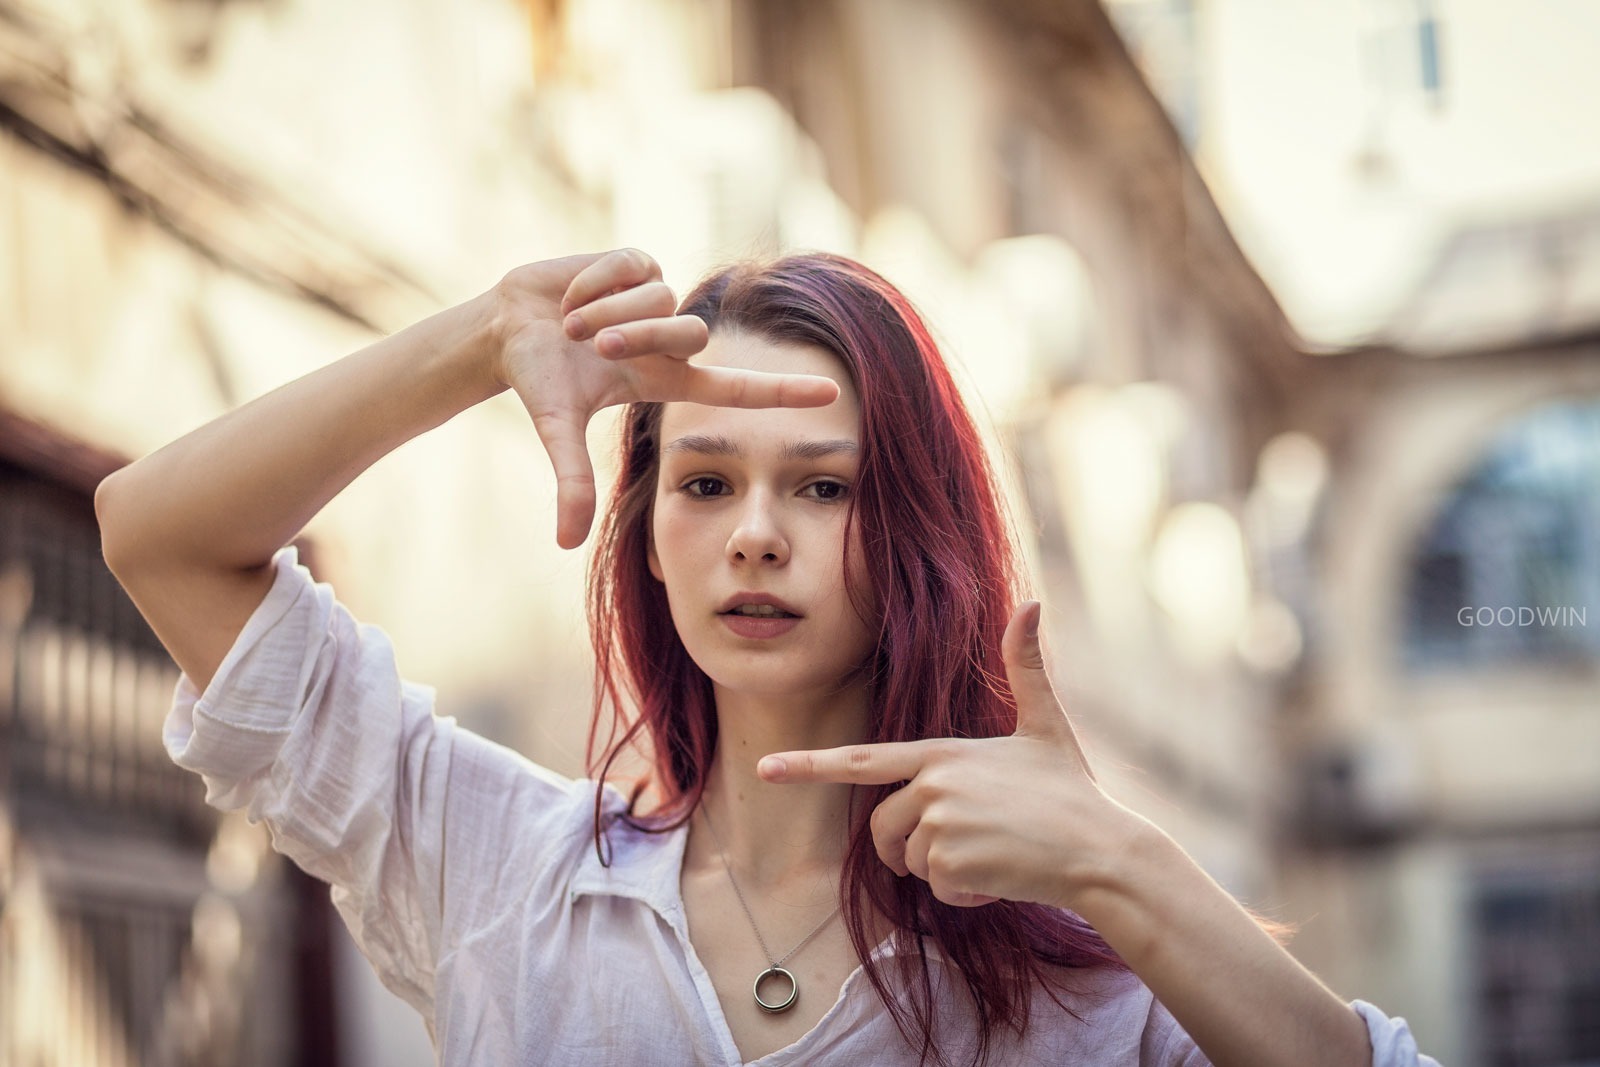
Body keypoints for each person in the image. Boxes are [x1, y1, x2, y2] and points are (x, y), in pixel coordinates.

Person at [97, 248, 1439, 1066]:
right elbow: (157, 536)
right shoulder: (496, 867)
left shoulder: (1088, 985)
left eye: (822, 489)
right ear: (648, 539)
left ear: (917, 531)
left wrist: (1121, 862)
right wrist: (485, 334)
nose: (752, 536)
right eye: (704, 484)